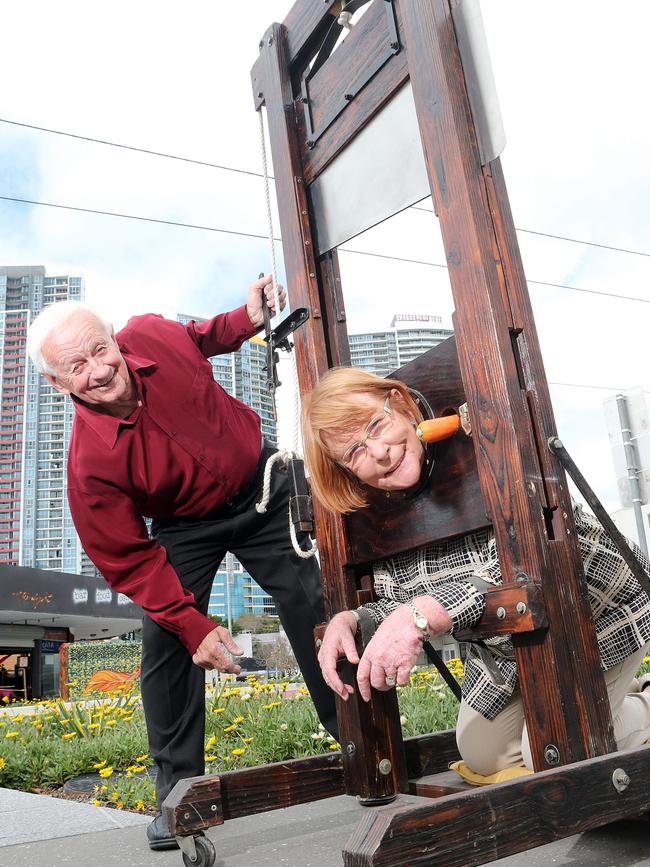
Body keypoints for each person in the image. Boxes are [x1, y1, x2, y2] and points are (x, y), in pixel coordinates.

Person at [26, 279, 336, 851]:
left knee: (315, 603)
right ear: (56, 383)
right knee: (167, 642)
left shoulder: (148, 334)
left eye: (100, 349)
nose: (97, 369)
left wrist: (245, 317)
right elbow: (131, 562)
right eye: (77, 366)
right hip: (184, 525)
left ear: (115, 339)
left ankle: (359, 738)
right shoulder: (88, 465)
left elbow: (199, 336)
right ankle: (178, 791)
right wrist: (194, 625)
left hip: (262, 489)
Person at [301, 366, 650, 777]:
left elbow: (520, 566)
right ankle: (612, 699)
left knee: (552, 748)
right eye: (355, 453)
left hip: (595, 611)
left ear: (400, 404)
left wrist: (419, 616)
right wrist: (353, 618)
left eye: (377, 425)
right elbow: (399, 599)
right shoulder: (380, 519)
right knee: (482, 753)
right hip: (509, 645)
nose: (378, 452)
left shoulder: (487, 454)